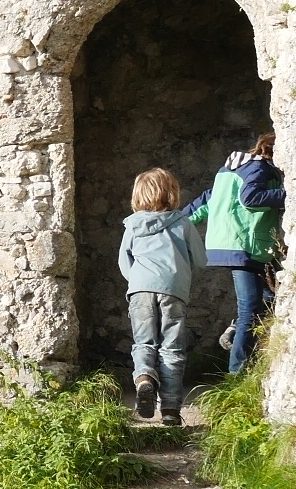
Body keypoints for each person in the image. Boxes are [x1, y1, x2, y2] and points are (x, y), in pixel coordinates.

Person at [186, 130, 285, 375]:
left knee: (268, 300)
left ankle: (234, 332)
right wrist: (287, 194)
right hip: (246, 246)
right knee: (249, 310)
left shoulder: (230, 170)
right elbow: (250, 198)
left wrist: (180, 221)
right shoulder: (261, 168)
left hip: (234, 246)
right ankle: (236, 373)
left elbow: (208, 200)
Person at [119, 167, 208, 426]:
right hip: (173, 290)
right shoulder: (182, 223)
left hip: (139, 290)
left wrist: (137, 281)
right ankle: (170, 410)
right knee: (172, 349)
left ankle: (144, 378)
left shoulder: (132, 225)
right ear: (172, 192)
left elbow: (125, 261)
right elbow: (201, 261)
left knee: (143, 343)